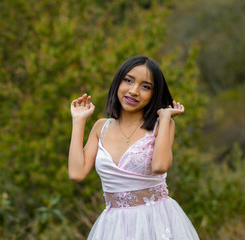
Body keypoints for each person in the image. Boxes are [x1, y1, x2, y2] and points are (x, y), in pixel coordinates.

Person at [68, 56, 200, 239]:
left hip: (155, 222)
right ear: (117, 82)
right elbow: (76, 173)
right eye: (128, 81)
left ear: (154, 94)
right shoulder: (100, 128)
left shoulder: (161, 126)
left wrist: (165, 117)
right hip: (114, 228)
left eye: (145, 87)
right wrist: (78, 121)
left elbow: (160, 166)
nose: (134, 91)